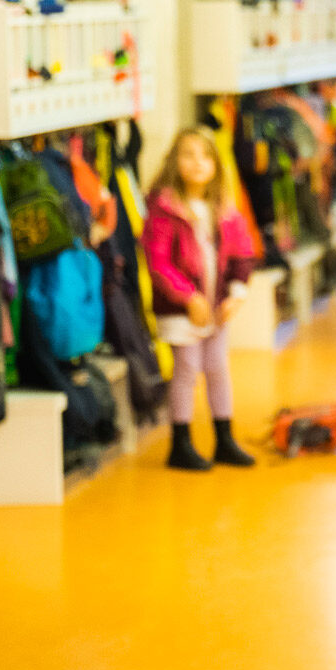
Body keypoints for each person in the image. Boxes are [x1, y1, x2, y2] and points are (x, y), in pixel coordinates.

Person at [142, 127, 258, 471]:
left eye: (205, 155)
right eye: (188, 155)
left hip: (214, 309)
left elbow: (243, 254)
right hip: (181, 309)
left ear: (216, 164)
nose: (197, 163)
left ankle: (224, 438)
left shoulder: (223, 208)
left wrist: (236, 293)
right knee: (187, 369)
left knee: (218, 368)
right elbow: (158, 262)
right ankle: (180, 443)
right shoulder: (164, 208)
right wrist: (188, 298)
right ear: (174, 162)